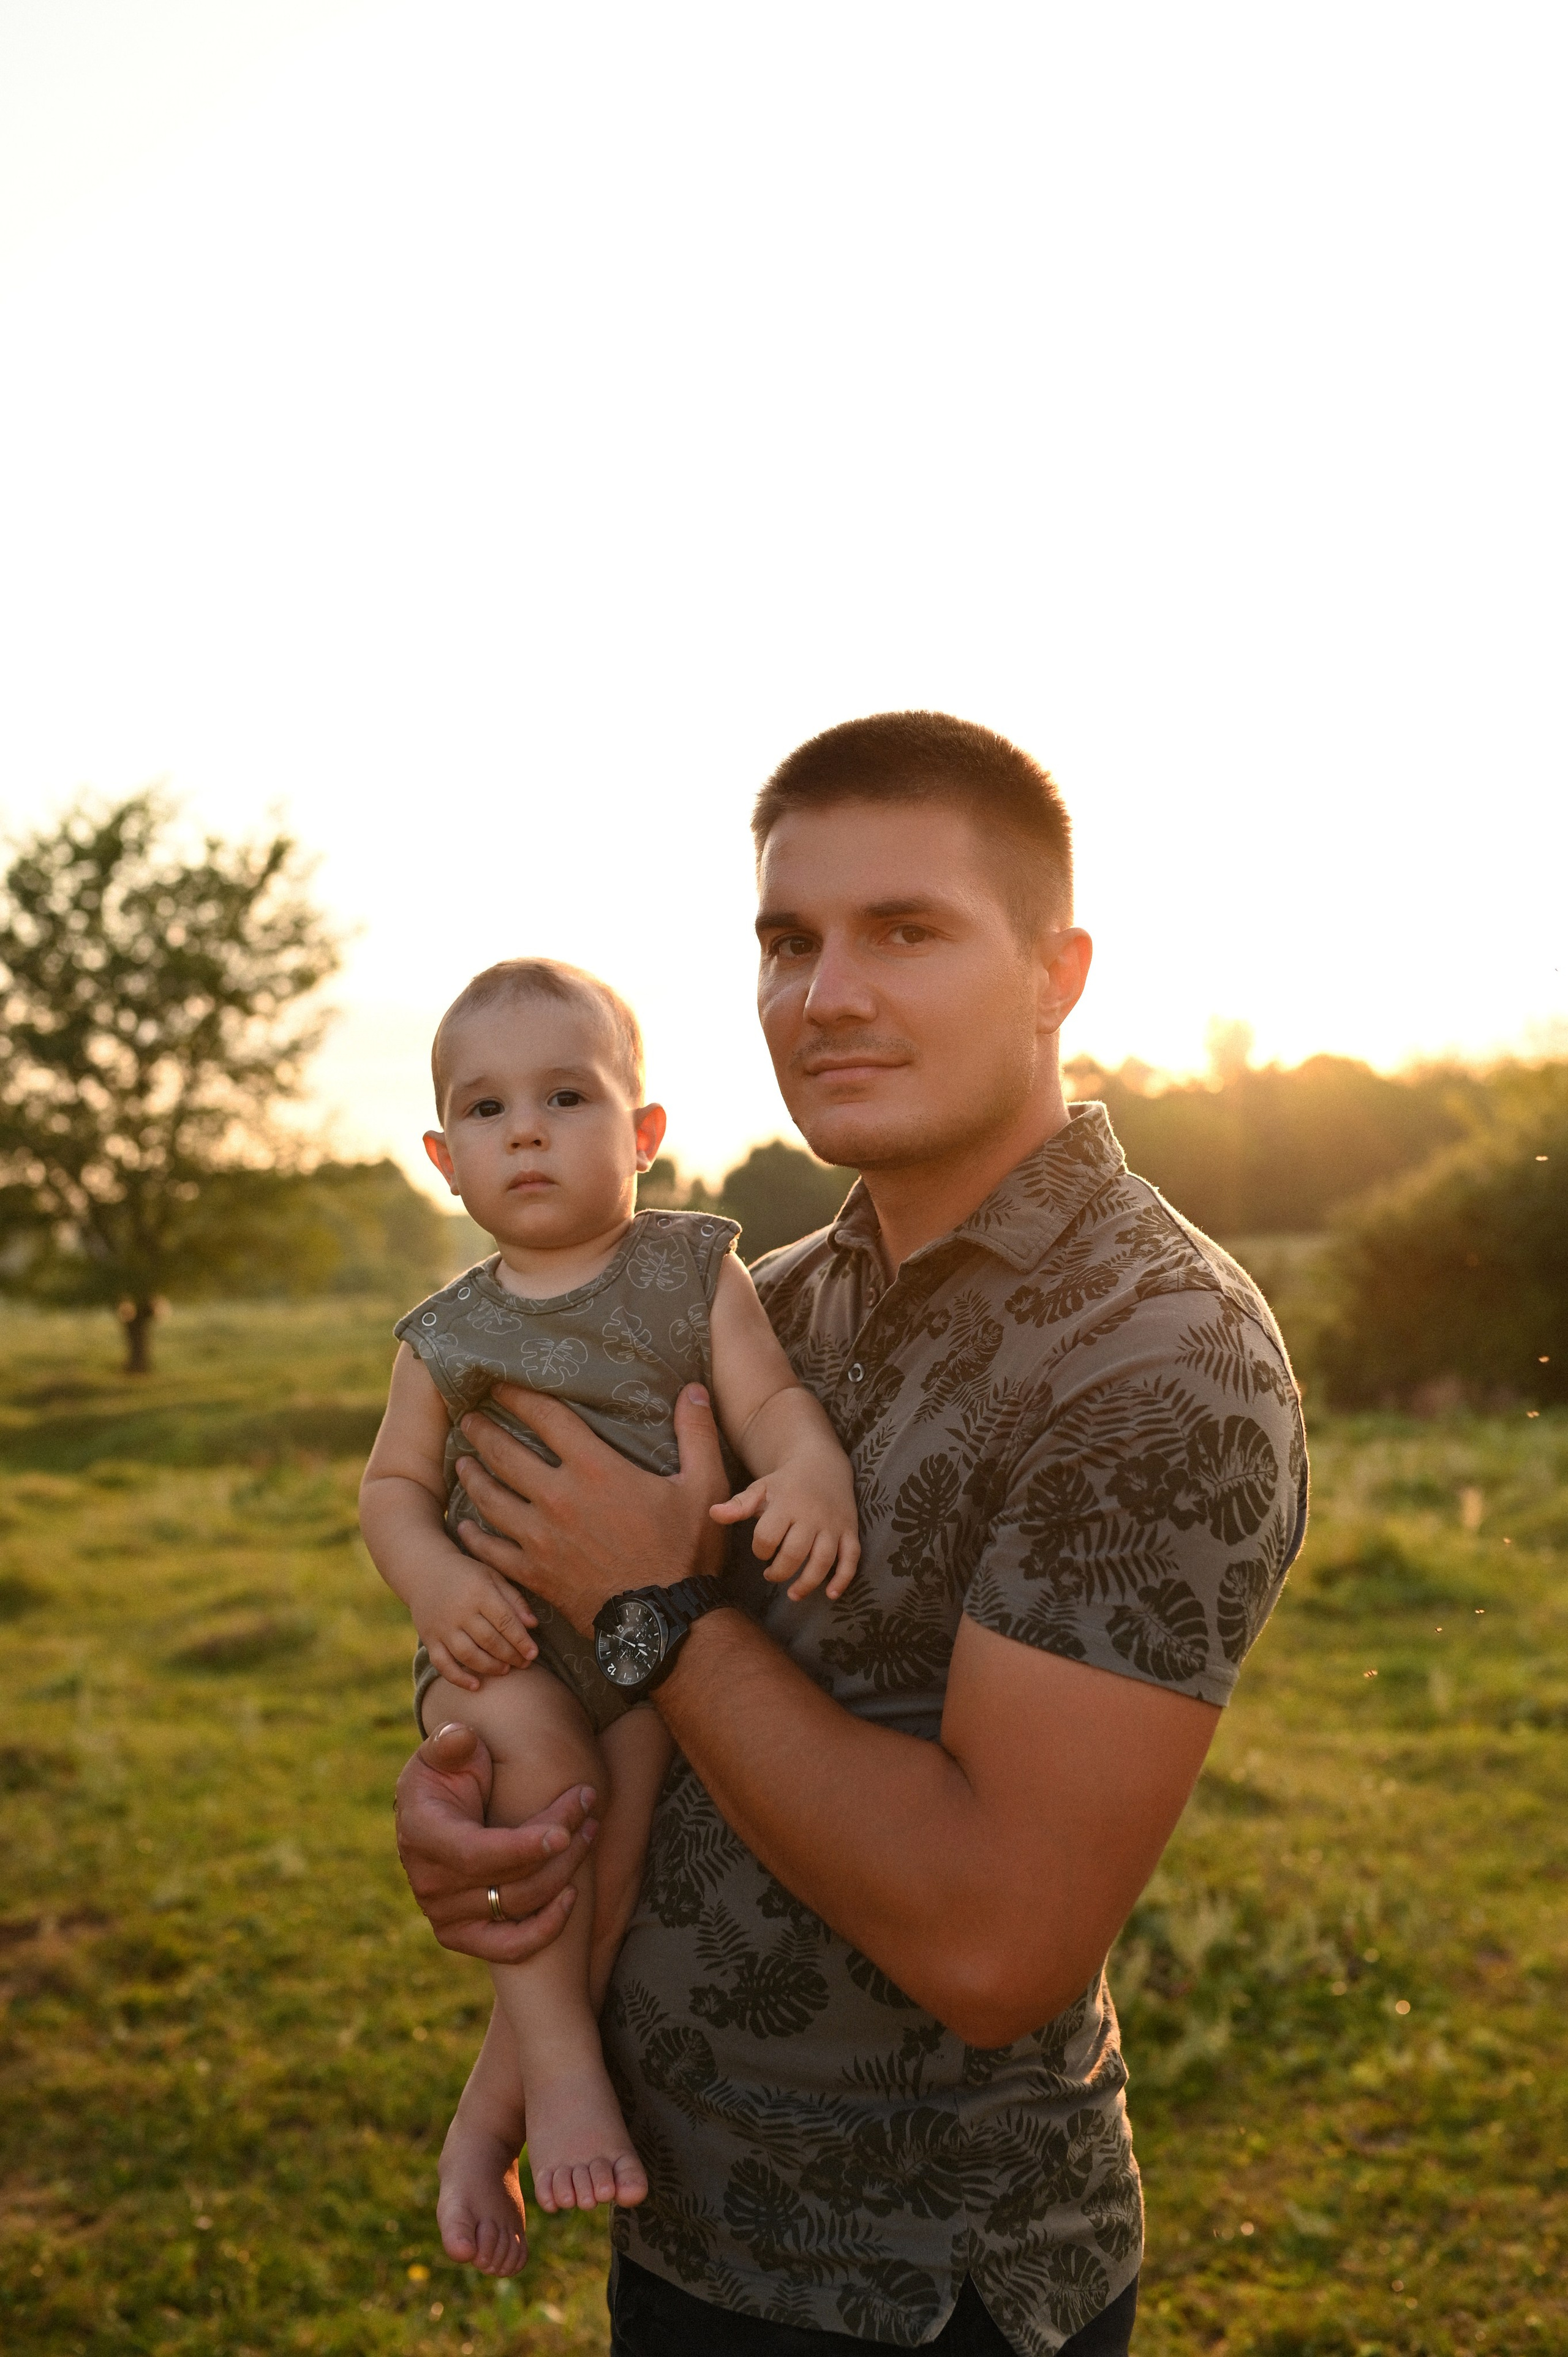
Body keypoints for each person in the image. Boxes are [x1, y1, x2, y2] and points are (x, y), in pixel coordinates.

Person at [392, 712, 1310, 2357]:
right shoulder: (758, 1304)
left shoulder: (1158, 1353)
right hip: (678, 2220)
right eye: (785, 942)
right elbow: (586, 1693)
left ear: (1056, 973)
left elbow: (996, 1941)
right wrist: (484, 1817)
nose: (823, 996)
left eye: (904, 931)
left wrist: (654, 1606)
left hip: (920, 2284)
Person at [360, 958, 859, 2217]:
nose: (525, 1130)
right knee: (545, 1788)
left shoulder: (693, 1272)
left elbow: (769, 1400)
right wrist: (434, 1586)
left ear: (643, 1133)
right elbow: (392, 1490)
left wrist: (807, 1471)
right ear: (445, 1158)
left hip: (654, 1638)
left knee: (610, 1854)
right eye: (487, 1109)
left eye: (566, 1097)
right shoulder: (444, 1335)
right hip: (503, 1645)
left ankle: (493, 2108)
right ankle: (567, 2073)